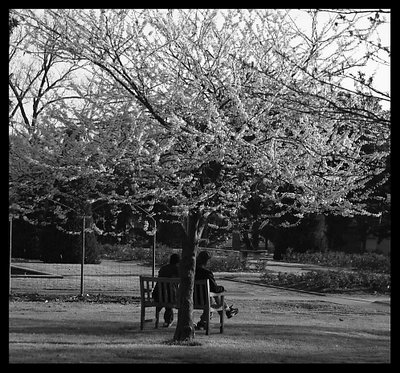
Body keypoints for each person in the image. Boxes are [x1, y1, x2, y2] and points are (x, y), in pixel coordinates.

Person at [194, 250, 238, 330]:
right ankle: (227, 310)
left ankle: (227, 310)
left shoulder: (191, 272)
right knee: (216, 294)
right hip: (205, 300)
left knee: (213, 295)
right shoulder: (207, 273)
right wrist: (222, 288)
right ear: (207, 261)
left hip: (192, 298)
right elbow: (214, 288)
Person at [152, 253, 180, 327]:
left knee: (167, 295)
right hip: (170, 296)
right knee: (171, 295)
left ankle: (165, 320)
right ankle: (168, 320)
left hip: (157, 295)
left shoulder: (163, 268)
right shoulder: (177, 269)